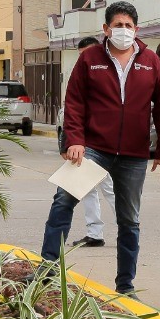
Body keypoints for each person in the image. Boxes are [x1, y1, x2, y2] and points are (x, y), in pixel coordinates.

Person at [36, 1, 160, 298]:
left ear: (136, 30)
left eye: (128, 26)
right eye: (118, 25)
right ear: (106, 29)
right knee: (63, 202)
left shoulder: (151, 61)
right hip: (93, 148)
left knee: (129, 220)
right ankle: (46, 270)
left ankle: (125, 285)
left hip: (134, 154)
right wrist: (74, 139)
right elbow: (74, 101)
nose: (123, 30)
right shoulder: (90, 59)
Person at [57, 36, 116, 249]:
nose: (86, 58)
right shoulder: (80, 74)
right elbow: (71, 112)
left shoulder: (109, 74)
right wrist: (66, 144)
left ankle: (127, 229)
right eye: (82, 55)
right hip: (82, 147)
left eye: (89, 53)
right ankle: (94, 233)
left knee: (111, 189)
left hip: (104, 146)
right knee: (86, 190)